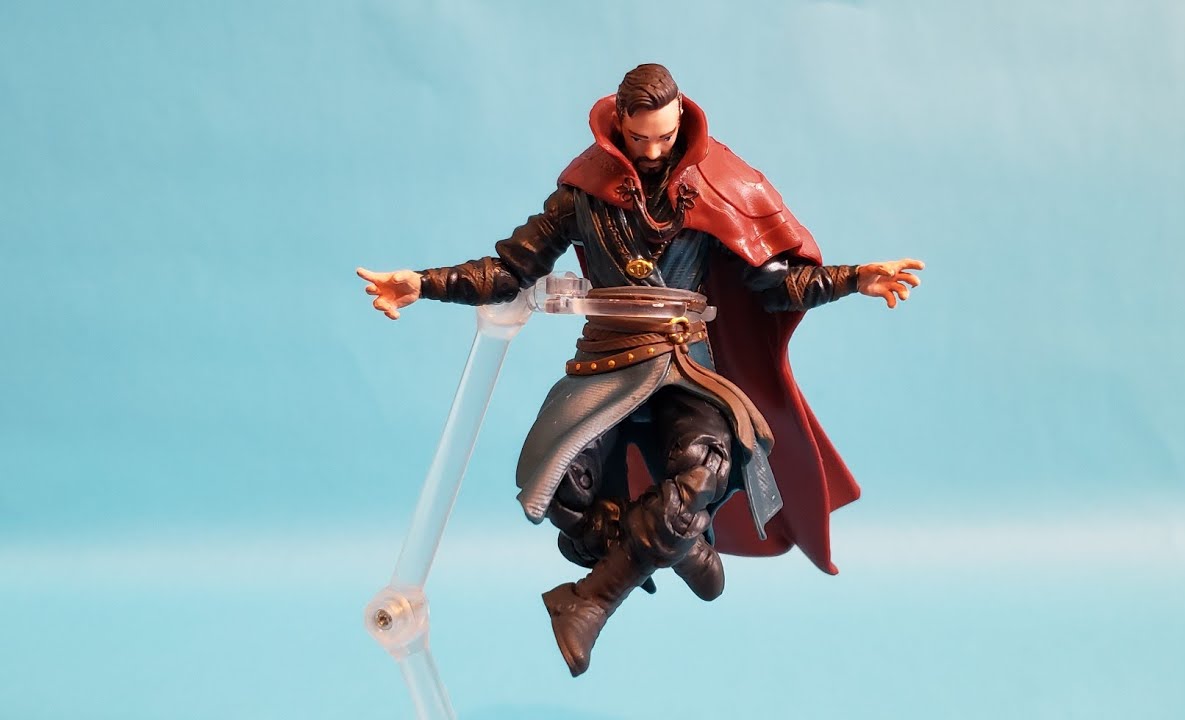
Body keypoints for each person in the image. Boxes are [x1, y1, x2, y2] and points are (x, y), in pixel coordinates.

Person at [357, 63, 923, 676]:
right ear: (617, 127)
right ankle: (679, 546)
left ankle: (590, 601)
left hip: (687, 366)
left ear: (682, 123)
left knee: (705, 467)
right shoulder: (582, 193)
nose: (653, 152)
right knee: (566, 495)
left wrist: (855, 278)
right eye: (639, 138)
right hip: (606, 363)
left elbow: (777, 284)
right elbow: (511, 269)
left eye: (665, 137)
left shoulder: (719, 185)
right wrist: (423, 283)